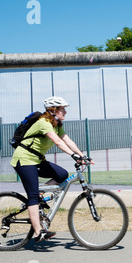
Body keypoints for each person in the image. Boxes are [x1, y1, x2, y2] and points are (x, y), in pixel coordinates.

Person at [11, 96, 93, 243]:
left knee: (62, 174)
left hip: (37, 160)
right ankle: (38, 232)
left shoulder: (57, 124)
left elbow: (67, 140)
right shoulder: (43, 123)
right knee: (33, 196)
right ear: (53, 110)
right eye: (63, 109)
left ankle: (41, 195)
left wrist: (83, 156)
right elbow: (58, 142)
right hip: (23, 160)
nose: (65, 112)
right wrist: (74, 156)